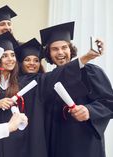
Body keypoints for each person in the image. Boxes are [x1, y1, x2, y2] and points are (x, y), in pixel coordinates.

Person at [40, 21, 113, 157]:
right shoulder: (46, 79)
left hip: (85, 144)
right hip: (57, 145)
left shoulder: (91, 72)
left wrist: (89, 110)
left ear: (70, 50)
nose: (60, 52)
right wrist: (85, 58)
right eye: (55, 49)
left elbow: (109, 102)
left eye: (64, 47)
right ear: (48, 54)